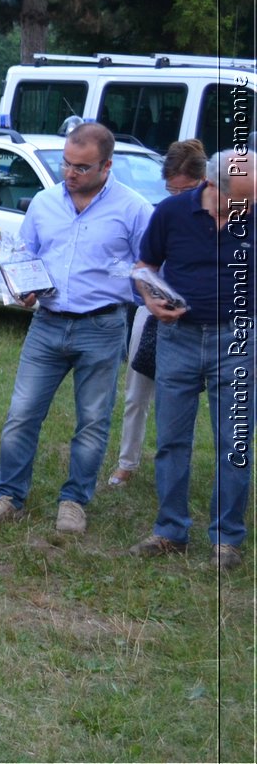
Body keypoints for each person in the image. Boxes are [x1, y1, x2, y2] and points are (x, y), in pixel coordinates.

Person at [0, 123, 153, 535]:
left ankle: (73, 502)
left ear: (107, 165)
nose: (71, 173)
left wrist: (141, 290)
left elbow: (148, 267)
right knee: (21, 414)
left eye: (82, 167)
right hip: (47, 323)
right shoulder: (45, 201)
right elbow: (24, 254)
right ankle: (9, 495)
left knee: (92, 420)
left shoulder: (134, 208)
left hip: (103, 326)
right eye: (67, 164)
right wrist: (23, 289)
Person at [127, 148, 254, 570]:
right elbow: (145, 265)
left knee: (233, 443)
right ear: (210, 184)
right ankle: (170, 531)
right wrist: (151, 299)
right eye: (239, 200)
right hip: (177, 337)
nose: (246, 208)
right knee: (171, 440)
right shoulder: (172, 212)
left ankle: (227, 539)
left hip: (237, 340)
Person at [107, 138, 207, 487]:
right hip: (152, 313)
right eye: (171, 190)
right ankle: (126, 463)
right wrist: (150, 298)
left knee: (184, 398)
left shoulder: (217, 214)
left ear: (204, 180)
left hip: (200, 321)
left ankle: (180, 465)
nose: (178, 197)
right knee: (137, 392)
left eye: (187, 189)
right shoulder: (163, 213)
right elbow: (142, 266)